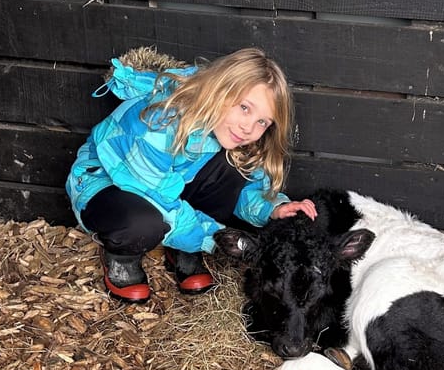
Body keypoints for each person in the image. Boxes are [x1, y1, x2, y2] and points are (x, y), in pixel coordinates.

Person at [66, 48, 317, 302]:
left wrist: (273, 209)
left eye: (263, 122)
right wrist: (219, 240)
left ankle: (181, 250)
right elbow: (161, 202)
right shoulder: (157, 120)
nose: (249, 127)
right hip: (106, 186)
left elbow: (246, 189)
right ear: (221, 90)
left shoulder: (231, 132)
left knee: (235, 166)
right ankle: (122, 257)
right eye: (244, 107)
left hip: (169, 188)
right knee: (143, 223)